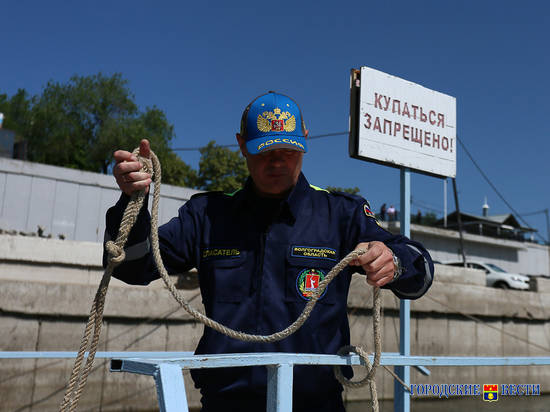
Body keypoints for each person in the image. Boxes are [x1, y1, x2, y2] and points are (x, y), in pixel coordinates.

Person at [104, 91, 434, 412]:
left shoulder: (341, 215)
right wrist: (132, 202)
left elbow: (421, 275)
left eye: (288, 150)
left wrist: (395, 262)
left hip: (317, 405)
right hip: (225, 404)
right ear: (241, 145)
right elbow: (132, 268)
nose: (276, 161)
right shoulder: (207, 216)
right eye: (264, 151)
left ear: (305, 140)